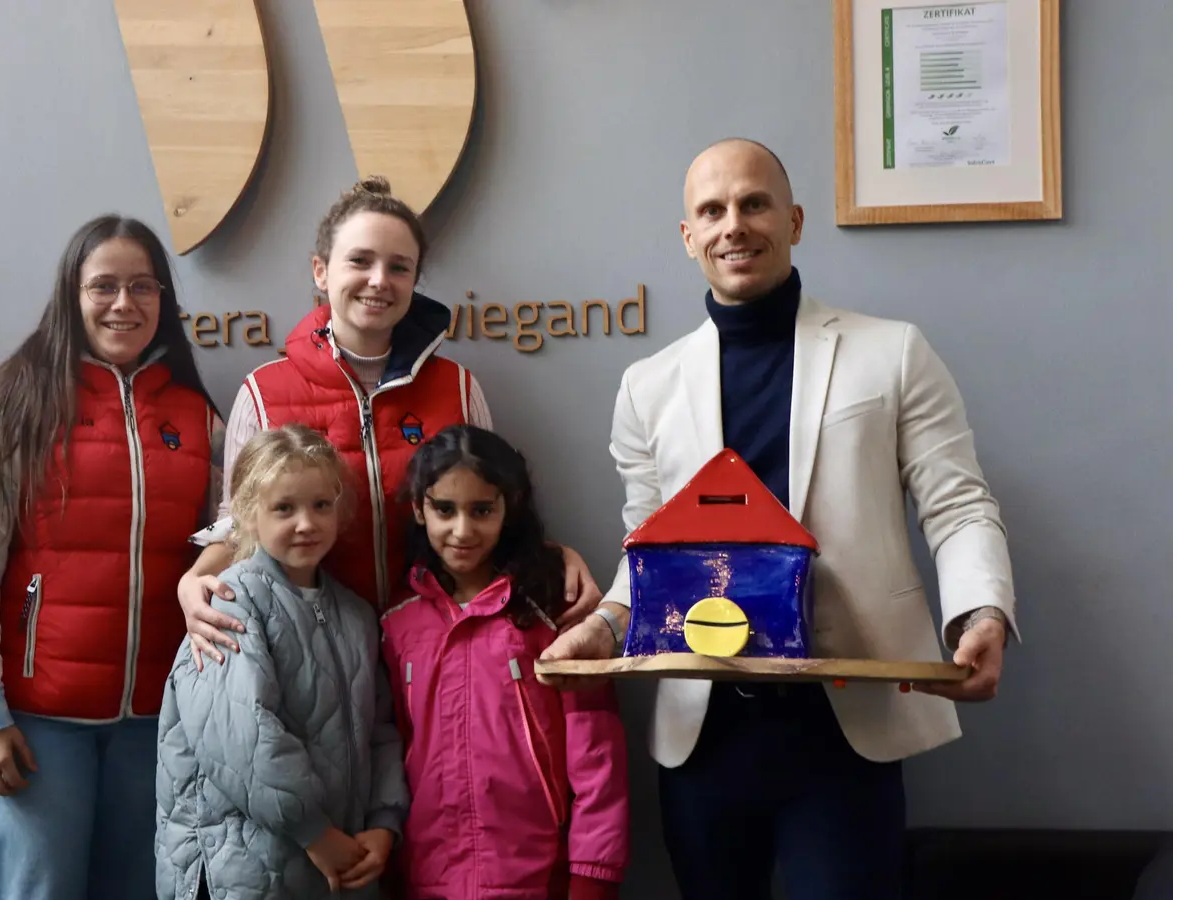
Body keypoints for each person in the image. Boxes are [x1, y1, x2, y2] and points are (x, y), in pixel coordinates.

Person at [583, 137, 1018, 899]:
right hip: (704, 734)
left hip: (846, 729)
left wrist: (981, 610)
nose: (734, 225)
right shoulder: (645, 387)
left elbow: (957, 502)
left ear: (794, 218)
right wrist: (606, 622)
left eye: (754, 203)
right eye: (711, 211)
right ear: (688, 237)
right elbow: (646, 545)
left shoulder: (894, 352)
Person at [178, 176, 603, 668]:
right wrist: (195, 580)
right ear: (320, 270)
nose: (379, 280)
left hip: (437, 645)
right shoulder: (263, 393)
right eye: (360, 261)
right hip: (313, 651)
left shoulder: (459, 387)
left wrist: (554, 556)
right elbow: (240, 527)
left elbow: (491, 509)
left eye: (399, 267)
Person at [0, 215, 223, 900]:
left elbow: (229, 542)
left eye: (142, 287)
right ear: (72, 294)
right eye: (104, 286)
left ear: (162, 299)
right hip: (40, 720)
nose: (124, 304)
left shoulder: (194, 416)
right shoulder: (20, 401)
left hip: (159, 720)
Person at [154, 424, 408, 899]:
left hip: (335, 864)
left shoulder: (355, 614)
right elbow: (241, 737)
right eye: (284, 508)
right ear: (249, 514)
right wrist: (314, 831)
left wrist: (384, 822)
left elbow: (381, 731)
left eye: (320, 505)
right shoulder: (229, 601)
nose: (306, 523)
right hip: (247, 867)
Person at [381, 425, 630, 899]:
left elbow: (597, 756)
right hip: (428, 877)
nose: (463, 530)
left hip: (540, 877)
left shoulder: (555, 613)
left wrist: (593, 874)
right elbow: (391, 749)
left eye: (481, 510)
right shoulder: (397, 624)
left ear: (508, 507)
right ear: (418, 508)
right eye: (444, 510)